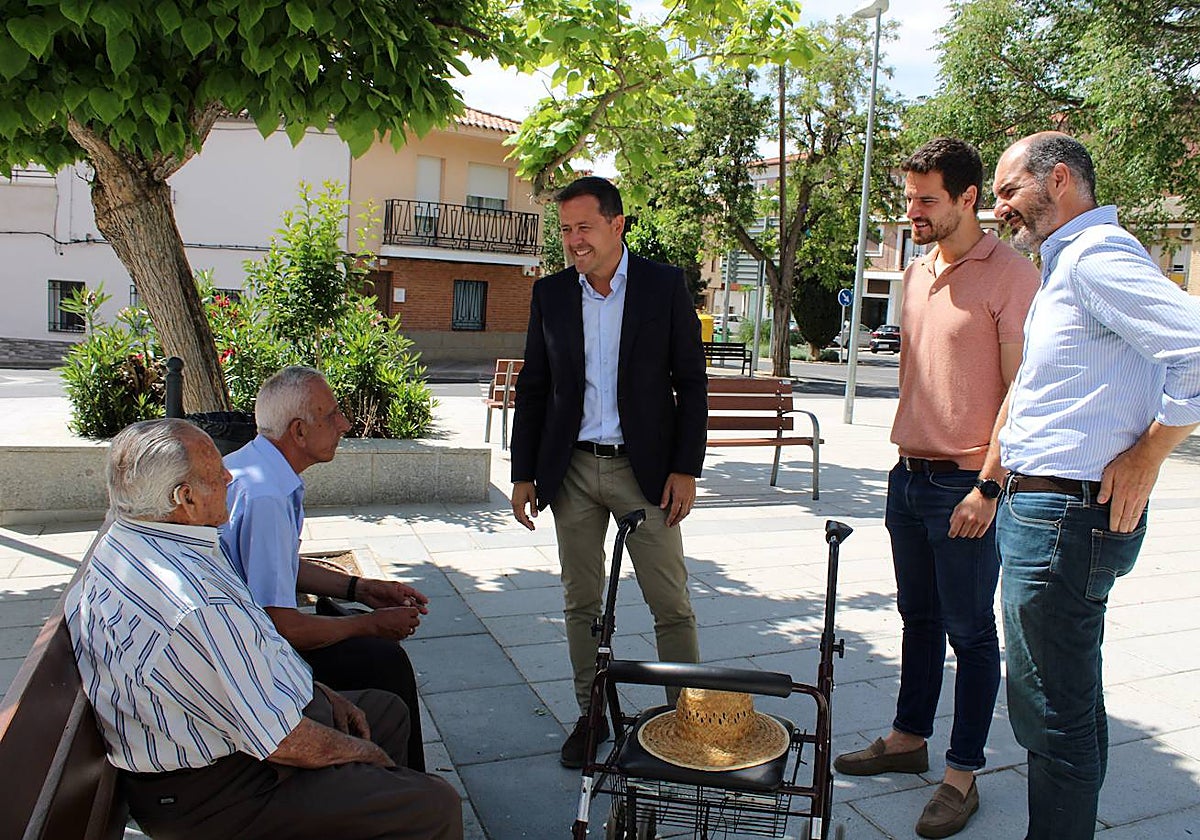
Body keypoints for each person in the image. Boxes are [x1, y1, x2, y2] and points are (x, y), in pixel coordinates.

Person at [65, 418, 462, 839]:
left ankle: (376, 807)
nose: (229, 476)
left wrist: (322, 692)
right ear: (186, 498)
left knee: (386, 713)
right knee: (433, 804)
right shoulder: (193, 603)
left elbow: (258, 648)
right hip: (221, 791)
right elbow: (280, 739)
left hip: (221, 746)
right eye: (216, 472)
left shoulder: (144, 538)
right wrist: (365, 755)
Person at [990, 132, 1200, 839]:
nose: (1000, 209)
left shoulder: (1095, 258)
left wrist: (1149, 455)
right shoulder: (1073, 263)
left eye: (1009, 190)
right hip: (1052, 515)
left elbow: (1197, 353)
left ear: (1061, 183)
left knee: (1052, 711)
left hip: (1062, 521)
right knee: (1063, 702)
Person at [833, 138, 1040, 838]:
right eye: (909, 196)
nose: (912, 209)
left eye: (926, 199)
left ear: (968, 198)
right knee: (915, 621)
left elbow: (1021, 391)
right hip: (906, 476)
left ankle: (961, 774)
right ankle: (906, 738)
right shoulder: (918, 273)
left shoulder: (1013, 276)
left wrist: (989, 485)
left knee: (971, 633)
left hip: (966, 484)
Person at [510, 175, 708, 768]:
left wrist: (685, 468)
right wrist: (524, 473)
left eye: (583, 227)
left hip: (643, 472)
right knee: (581, 602)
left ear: (617, 224)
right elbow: (536, 388)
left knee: (669, 601)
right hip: (570, 471)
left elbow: (691, 385)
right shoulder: (550, 295)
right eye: (566, 230)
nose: (573, 240)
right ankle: (591, 714)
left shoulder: (662, 286)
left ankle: (688, 721)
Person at [221, 366, 430, 770]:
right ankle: (408, 791)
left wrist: (360, 588)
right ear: (299, 432)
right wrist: (369, 624)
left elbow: (280, 566)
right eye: (332, 415)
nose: (345, 424)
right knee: (382, 660)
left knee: (371, 649)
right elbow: (282, 626)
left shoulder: (258, 468)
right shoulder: (267, 496)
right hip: (248, 664)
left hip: (242, 645)